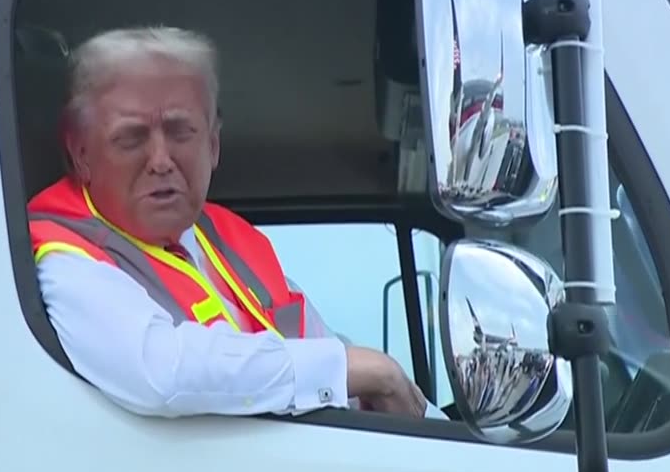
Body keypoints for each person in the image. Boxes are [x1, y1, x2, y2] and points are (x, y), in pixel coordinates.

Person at [27, 25, 429, 419]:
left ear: (214, 144)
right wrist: (351, 369)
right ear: (80, 154)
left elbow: (321, 349)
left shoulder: (231, 243)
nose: (161, 160)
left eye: (180, 131)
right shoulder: (62, 254)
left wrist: (415, 411)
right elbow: (161, 372)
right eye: (131, 138)